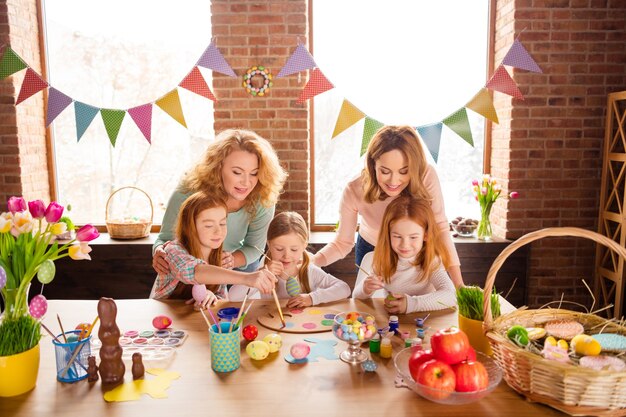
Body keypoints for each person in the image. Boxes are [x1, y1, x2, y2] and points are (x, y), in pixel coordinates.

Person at [311, 125, 463, 288]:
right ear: (373, 164)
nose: (393, 181)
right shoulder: (355, 189)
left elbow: (439, 228)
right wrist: (311, 263)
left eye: (404, 171)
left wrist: (459, 284)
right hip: (372, 249)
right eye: (385, 171)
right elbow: (343, 242)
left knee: (419, 304)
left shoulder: (426, 175)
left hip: (415, 247)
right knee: (371, 305)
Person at [152, 129, 288, 275]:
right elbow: (164, 239)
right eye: (237, 172)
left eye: (254, 173)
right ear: (218, 167)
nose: (246, 182)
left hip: (236, 267)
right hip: (190, 269)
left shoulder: (262, 197)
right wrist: (159, 253)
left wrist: (231, 261)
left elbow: (255, 248)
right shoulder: (188, 192)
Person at [150, 191, 277, 308]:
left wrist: (212, 296)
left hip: (192, 321)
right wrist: (247, 278)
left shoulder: (220, 257)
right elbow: (193, 272)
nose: (218, 231)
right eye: (209, 225)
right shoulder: (173, 251)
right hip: (164, 320)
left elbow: (221, 297)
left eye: (222, 223)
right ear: (190, 227)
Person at [352, 196, 456, 314]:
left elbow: (451, 295)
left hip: (425, 321)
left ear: (425, 235)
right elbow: (356, 297)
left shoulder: (431, 260)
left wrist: (412, 304)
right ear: (388, 234)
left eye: (413, 237)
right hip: (392, 322)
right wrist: (365, 288)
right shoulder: (383, 259)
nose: (405, 245)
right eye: (397, 236)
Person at [229, 212, 351, 308]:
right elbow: (233, 297)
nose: (286, 256)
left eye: (293, 249)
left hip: (304, 327)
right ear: (269, 245)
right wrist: (262, 275)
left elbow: (344, 288)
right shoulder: (264, 271)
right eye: (279, 249)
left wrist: (311, 298)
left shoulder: (309, 271)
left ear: (304, 246)